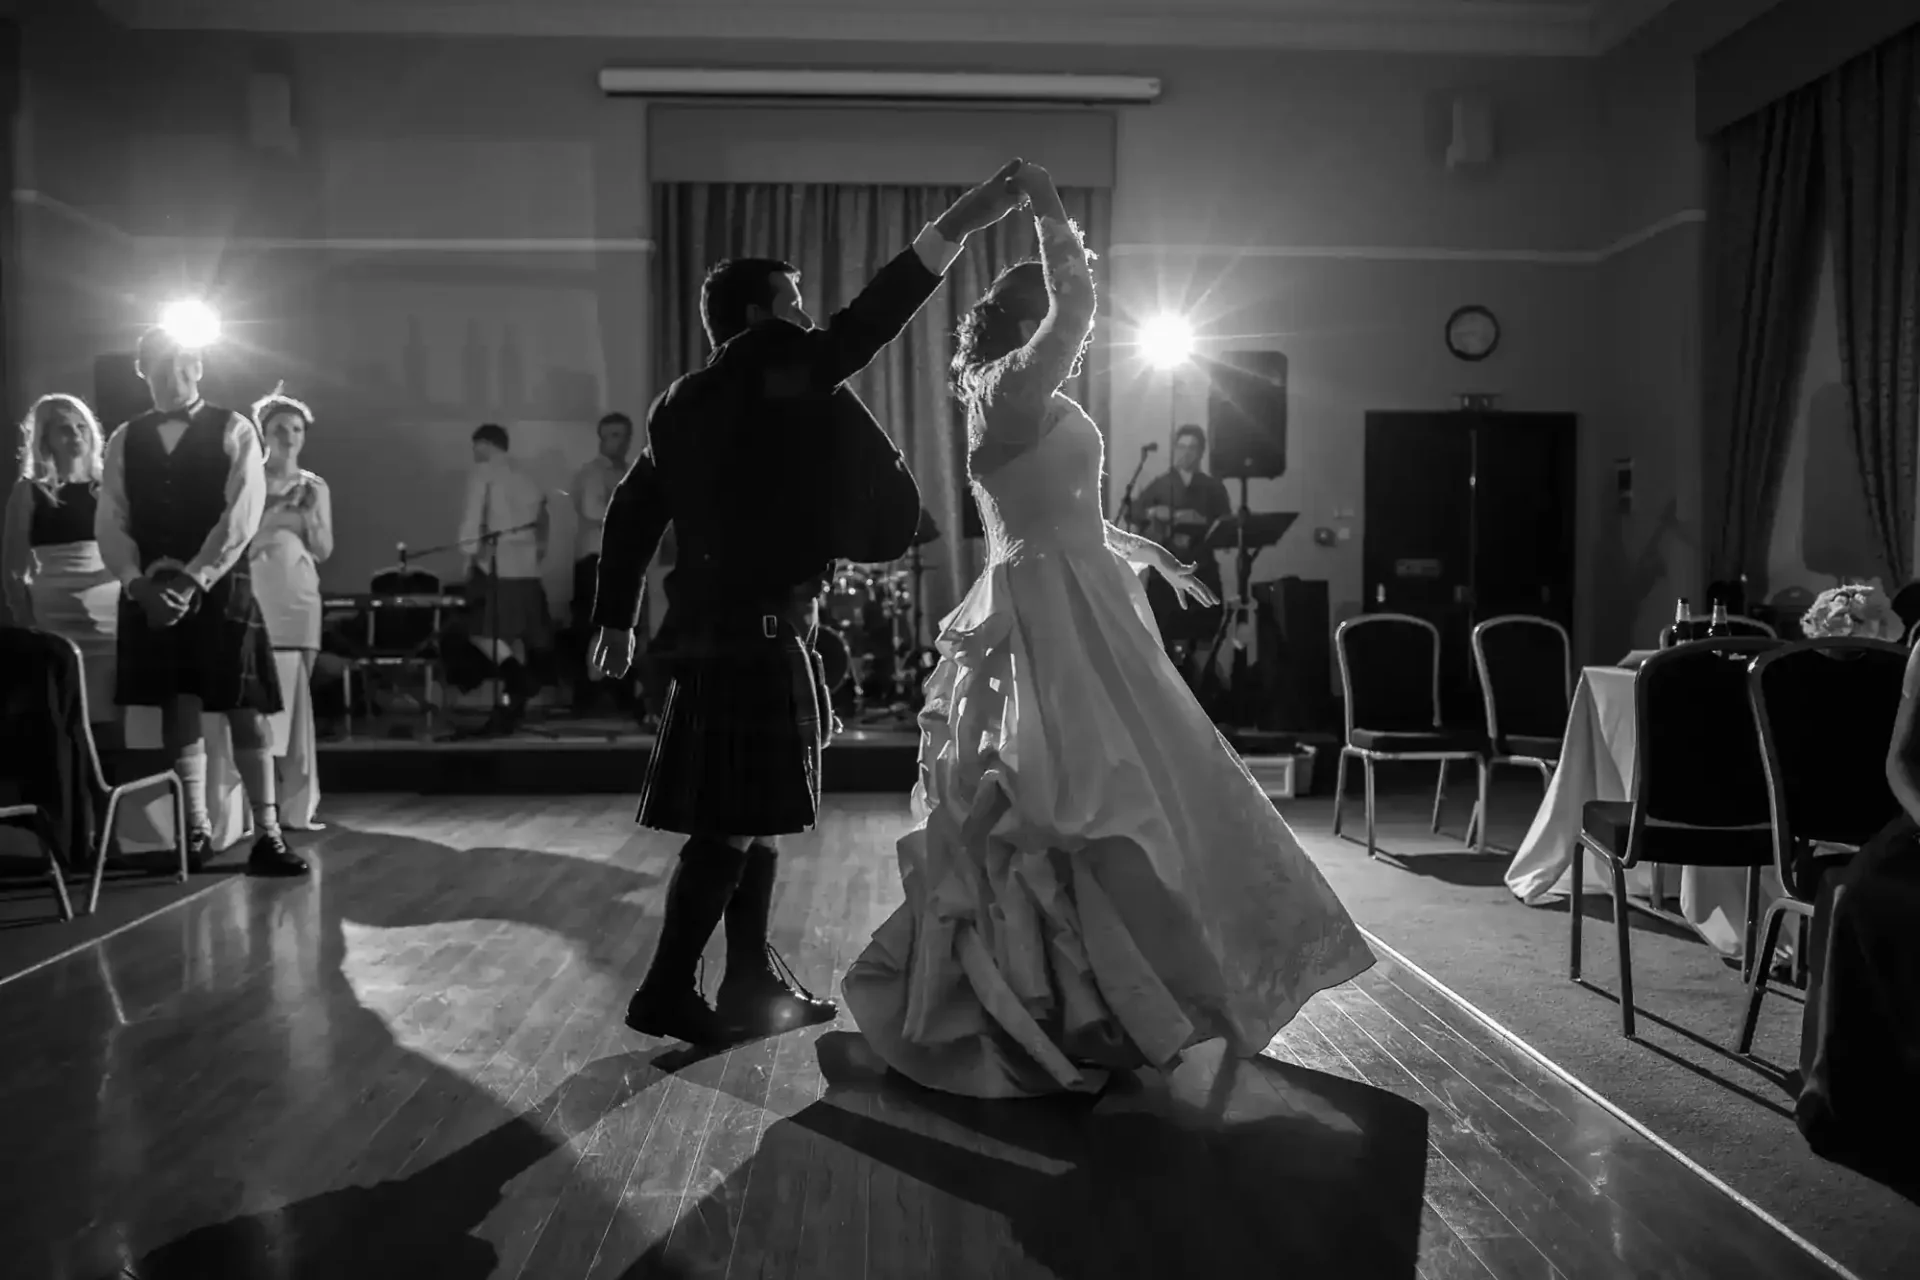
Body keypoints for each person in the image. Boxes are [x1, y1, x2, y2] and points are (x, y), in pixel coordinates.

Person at [840, 163, 1375, 1098]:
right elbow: (1078, 309)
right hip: (1057, 623)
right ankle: (1082, 1002)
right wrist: (1048, 208)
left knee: (1145, 793)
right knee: (1093, 800)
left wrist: (1150, 555)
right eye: (1052, 318)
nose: (1072, 340)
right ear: (1028, 319)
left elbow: (1063, 510)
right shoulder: (1009, 390)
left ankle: (1124, 997)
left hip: (1086, 598)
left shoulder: (1022, 401)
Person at [589, 159, 1029, 1046]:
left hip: (723, 632)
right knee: (730, 827)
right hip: (757, 635)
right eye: (792, 300)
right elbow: (866, 324)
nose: (805, 313)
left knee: (755, 816)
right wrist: (962, 223)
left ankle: (750, 982)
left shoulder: (683, 400)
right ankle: (668, 989)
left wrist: (614, 613)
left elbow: (636, 503)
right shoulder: (776, 367)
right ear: (759, 318)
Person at [94, 327, 306, 875]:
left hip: (217, 588)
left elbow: (242, 513)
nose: (173, 373)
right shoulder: (124, 438)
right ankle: (195, 830)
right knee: (176, 702)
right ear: (143, 370)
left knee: (244, 706)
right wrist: (138, 584)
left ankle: (269, 835)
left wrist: (191, 580)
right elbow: (111, 517)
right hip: (150, 592)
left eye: (184, 362)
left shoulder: (235, 428)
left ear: (200, 365)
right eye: (160, 364)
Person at [2, 395, 121, 726]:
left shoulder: (109, 488)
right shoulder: (29, 492)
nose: (77, 435)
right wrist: (30, 627)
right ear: (45, 438)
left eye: (82, 427)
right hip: (54, 616)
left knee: (111, 711)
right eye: (65, 429)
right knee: (67, 713)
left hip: (108, 615)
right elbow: (13, 571)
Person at [248, 389, 333, 830]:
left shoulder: (315, 485)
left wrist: (312, 514)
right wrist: (278, 509)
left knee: (299, 705)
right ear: (264, 432)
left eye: (296, 430)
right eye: (280, 429)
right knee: (256, 702)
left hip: (298, 595)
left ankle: (298, 808)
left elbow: (323, 548)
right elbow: (239, 541)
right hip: (258, 594)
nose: (289, 437)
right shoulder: (247, 479)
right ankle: (254, 809)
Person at [457, 422, 550, 727]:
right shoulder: (529, 478)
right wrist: (536, 558)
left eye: (475, 446)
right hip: (528, 570)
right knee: (515, 637)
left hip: (495, 566)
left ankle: (518, 680)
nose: (473, 452)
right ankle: (514, 703)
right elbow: (542, 525)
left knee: (482, 633)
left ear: (485, 443)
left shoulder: (484, 473)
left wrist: (468, 555)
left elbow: (473, 519)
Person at [1132, 422, 1230, 678]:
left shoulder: (1213, 488)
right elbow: (1135, 512)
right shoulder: (1162, 484)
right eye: (1182, 446)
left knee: (1205, 633)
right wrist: (1158, 513)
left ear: (1201, 452)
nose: (1186, 452)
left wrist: (1200, 519)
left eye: (1192, 448)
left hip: (1202, 569)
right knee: (1166, 635)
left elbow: (1226, 526)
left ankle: (1205, 691)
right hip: (1165, 575)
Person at [569, 411, 635, 712]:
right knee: (593, 626)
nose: (615, 442)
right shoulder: (593, 473)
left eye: (621, 435)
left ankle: (616, 693)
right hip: (596, 559)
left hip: (623, 561)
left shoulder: (631, 470)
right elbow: (595, 512)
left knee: (621, 626)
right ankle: (588, 696)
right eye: (610, 435)